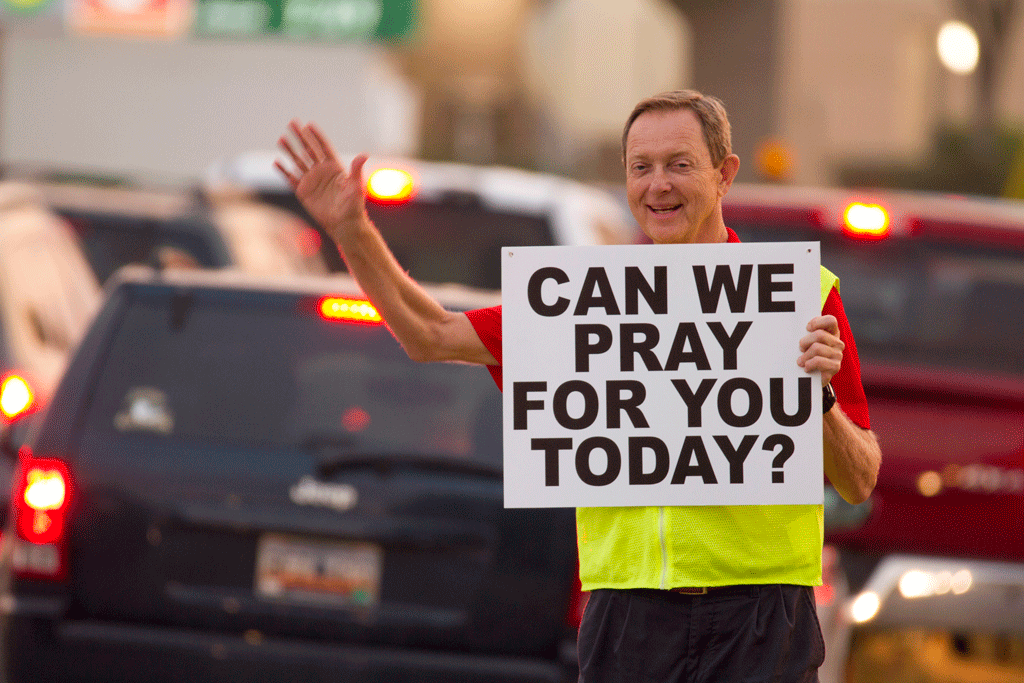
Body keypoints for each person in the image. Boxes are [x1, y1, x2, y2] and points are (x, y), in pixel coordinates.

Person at [276, 89, 882, 683]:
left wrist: (817, 401)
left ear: (724, 176)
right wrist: (352, 231)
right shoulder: (586, 304)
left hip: (762, 616)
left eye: (679, 165)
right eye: (640, 168)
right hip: (628, 616)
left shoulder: (799, 297)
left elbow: (858, 479)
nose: (658, 185)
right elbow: (430, 334)